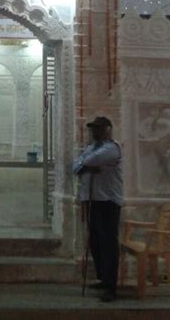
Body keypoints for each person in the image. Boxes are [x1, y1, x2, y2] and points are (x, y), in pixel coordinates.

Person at [73, 116, 122, 302]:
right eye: (93, 129)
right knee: (96, 242)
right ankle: (103, 277)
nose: (94, 132)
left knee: (108, 244)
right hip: (94, 200)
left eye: (99, 129)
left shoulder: (112, 148)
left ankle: (111, 286)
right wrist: (84, 165)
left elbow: (90, 161)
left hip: (107, 201)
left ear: (108, 130)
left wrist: (84, 164)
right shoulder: (91, 148)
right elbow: (74, 165)